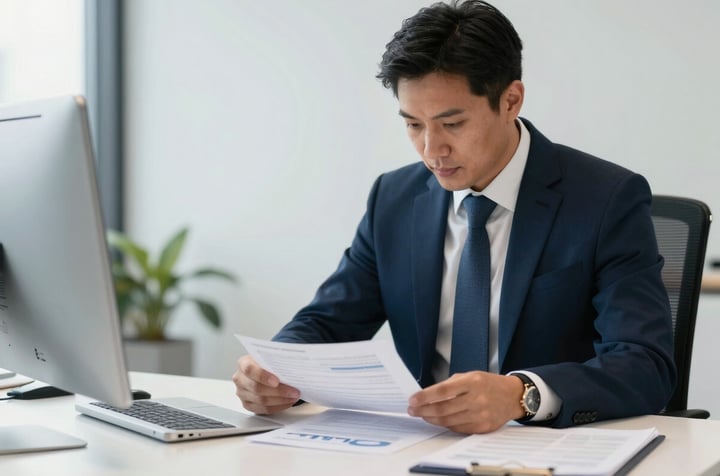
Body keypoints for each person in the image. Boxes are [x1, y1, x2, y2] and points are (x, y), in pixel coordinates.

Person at [232, 0, 675, 434]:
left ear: (511, 100)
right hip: (416, 443)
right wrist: (272, 372)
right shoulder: (394, 197)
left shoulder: (605, 199)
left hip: (542, 447)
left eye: (453, 124)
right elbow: (327, 322)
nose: (431, 150)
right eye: (413, 124)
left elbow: (644, 363)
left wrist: (521, 395)